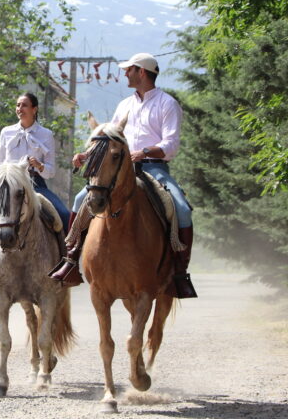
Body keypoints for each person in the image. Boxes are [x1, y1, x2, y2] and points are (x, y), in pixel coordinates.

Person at [50, 52, 197, 297]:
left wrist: (145, 152)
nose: (125, 73)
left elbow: (171, 144)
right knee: (79, 200)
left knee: (181, 208)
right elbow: (109, 140)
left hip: (154, 167)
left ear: (141, 72)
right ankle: (72, 260)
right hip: (119, 168)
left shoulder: (167, 103)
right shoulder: (124, 105)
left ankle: (179, 273)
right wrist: (86, 156)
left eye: (129, 69)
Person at [0, 92, 71, 289]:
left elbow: (51, 171)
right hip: (8, 186)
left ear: (34, 109)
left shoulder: (46, 134)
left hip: (35, 184)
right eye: (18, 105)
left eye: (24, 105)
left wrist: (38, 166)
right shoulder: (6, 132)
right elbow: (1, 163)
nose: (19, 109)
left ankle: (66, 267)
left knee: (63, 215)